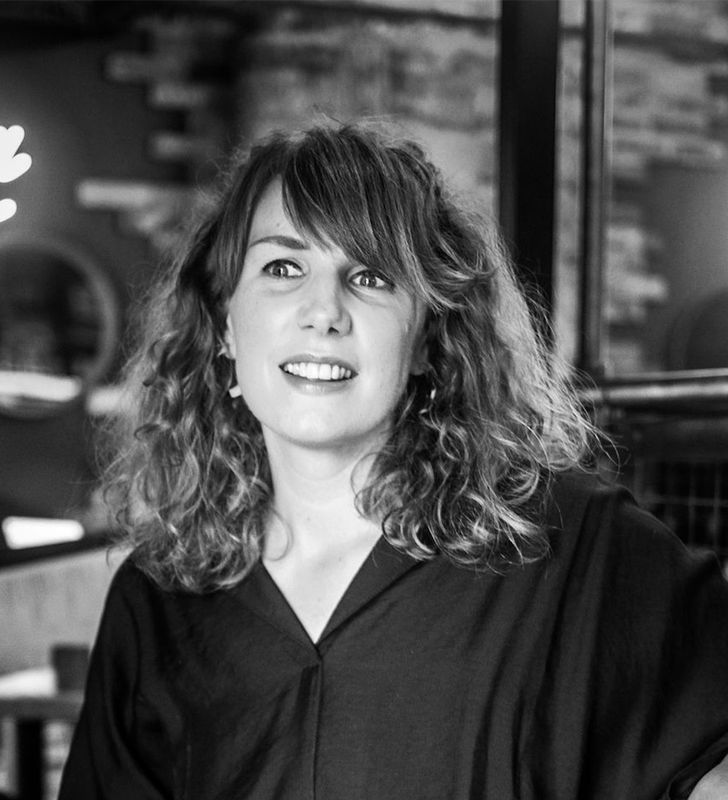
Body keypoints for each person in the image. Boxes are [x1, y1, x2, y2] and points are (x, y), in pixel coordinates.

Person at [58, 122, 728, 799]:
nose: (323, 312)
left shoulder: (574, 550)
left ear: (428, 339)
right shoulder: (158, 601)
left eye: (371, 276)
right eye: (283, 268)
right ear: (224, 322)